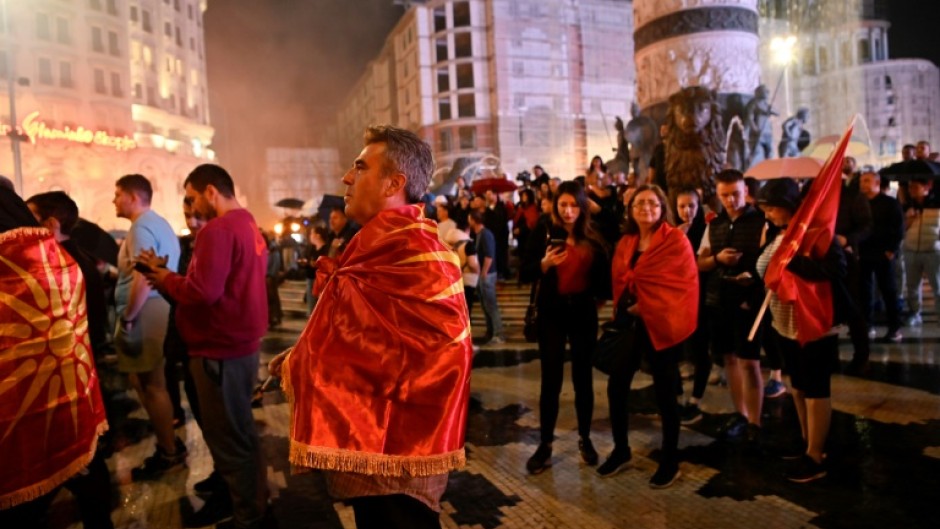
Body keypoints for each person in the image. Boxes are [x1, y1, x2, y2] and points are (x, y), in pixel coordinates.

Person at [268, 125, 472, 529]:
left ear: (393, 183)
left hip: (401, 457)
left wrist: (305, 365)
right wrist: (300, 356)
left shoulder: (420, 253)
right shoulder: (375, 244)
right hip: (374, 447)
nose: (347, 177)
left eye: (360, 167)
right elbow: (365, 337)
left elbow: (436, 358)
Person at [138, 164, 269, 528]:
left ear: (211, 191)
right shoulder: (247, 222)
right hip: (239, 345)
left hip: (219, 349)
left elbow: (202, 292)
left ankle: (250, 517)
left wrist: (165, 278)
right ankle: (256, 507)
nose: (193, 208)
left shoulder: (218, 229)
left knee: (229, 439)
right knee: (241, 435)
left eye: (194, 198)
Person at [0, 187, 109, 527]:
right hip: (70, 395)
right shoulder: (63, 262)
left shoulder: (21, 268)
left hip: (27, 421)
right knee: (87, 478)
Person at [599, 184, 698, 487]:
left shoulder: (675, 240)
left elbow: (684, 285)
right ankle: (621, 449)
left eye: (653, 203)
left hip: (661, 324)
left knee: (666, 392)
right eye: (639, 203)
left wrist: (651, 305)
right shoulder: (626, 242)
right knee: (616, 387)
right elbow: (619, 279)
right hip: (631, 325)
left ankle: (670, 459)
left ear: (662, 207)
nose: (646, 208)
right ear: (631, 209)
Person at [755, 178, 846, 483]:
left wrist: (793, 263)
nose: (767, 214)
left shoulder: (818, 234)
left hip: (814, 325)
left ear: (787, 206)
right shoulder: (779, 233)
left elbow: (836, 271)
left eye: (771, 208)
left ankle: (816, 455)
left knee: (816, 388)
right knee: (798, 386)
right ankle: (808, 442)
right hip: (784, 323)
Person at [521, 181, 610, 475]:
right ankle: (545, 444)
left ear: (582, 206)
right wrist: (544, 264)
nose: (569, 211)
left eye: (574, 205)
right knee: (551, 380)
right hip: (552, 313)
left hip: (583, 312)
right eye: (563, 205)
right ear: (556, 206)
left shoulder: (593, 232)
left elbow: (604, 272)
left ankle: (585, 438)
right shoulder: (546, 229)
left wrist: (598, 299)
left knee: (583, 378)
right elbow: (524, 269)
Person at [112, 174, 184, 480]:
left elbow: (142, 277)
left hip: (145, 311)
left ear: (132, 196)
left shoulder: (141, 228)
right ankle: (169, 443)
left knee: (151, 385)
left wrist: (128, 317)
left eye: (117, 194)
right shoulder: (158, 223)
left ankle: (169, 451)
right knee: (150, 382)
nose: (114, 200)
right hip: (155, 308)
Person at [697, 170, 767, 444]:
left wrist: (752, 276)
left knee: (750, 362)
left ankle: (755, 421)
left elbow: (770, 260)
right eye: (724, 195)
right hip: (719, 299)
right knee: (729, 359)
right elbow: (700, 262)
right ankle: (741, 412)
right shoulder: (714, 224)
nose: (730, 200)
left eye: (735, 194)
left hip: (749, 301)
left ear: (745, 190)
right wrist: (717, 259)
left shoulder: (760, 221)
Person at [672, 188, 712, 424]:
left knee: (700, 350)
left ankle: (696, 399)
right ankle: (677, 397)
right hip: (676, 298)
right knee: (673, 351)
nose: (687, 211)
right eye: (682, 206)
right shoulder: (671, 232)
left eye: (691, 206)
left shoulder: (706, 230)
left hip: (700, 297)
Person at [858, 171, 904, 343]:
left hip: (883, 253)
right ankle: (866, 325)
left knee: (888, 291)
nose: (863, 184)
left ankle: (895, 327)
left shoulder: (890, 203)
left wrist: (891, 250)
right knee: (864, 292)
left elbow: (898, 228)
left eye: (867, 180)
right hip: (863, 253)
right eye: (862, 181)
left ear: (877, 182)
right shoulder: (859, 203)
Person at [469, 209, 506, 345]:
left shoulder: (486, 234)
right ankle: (490, 331)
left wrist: (483, 272)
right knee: (485, 305)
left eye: (470, 218)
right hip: (482, 274)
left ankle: (499, 333)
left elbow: (489, 256)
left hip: (488, 274)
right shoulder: (478, 234)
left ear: (474, 220)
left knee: (491, 305)